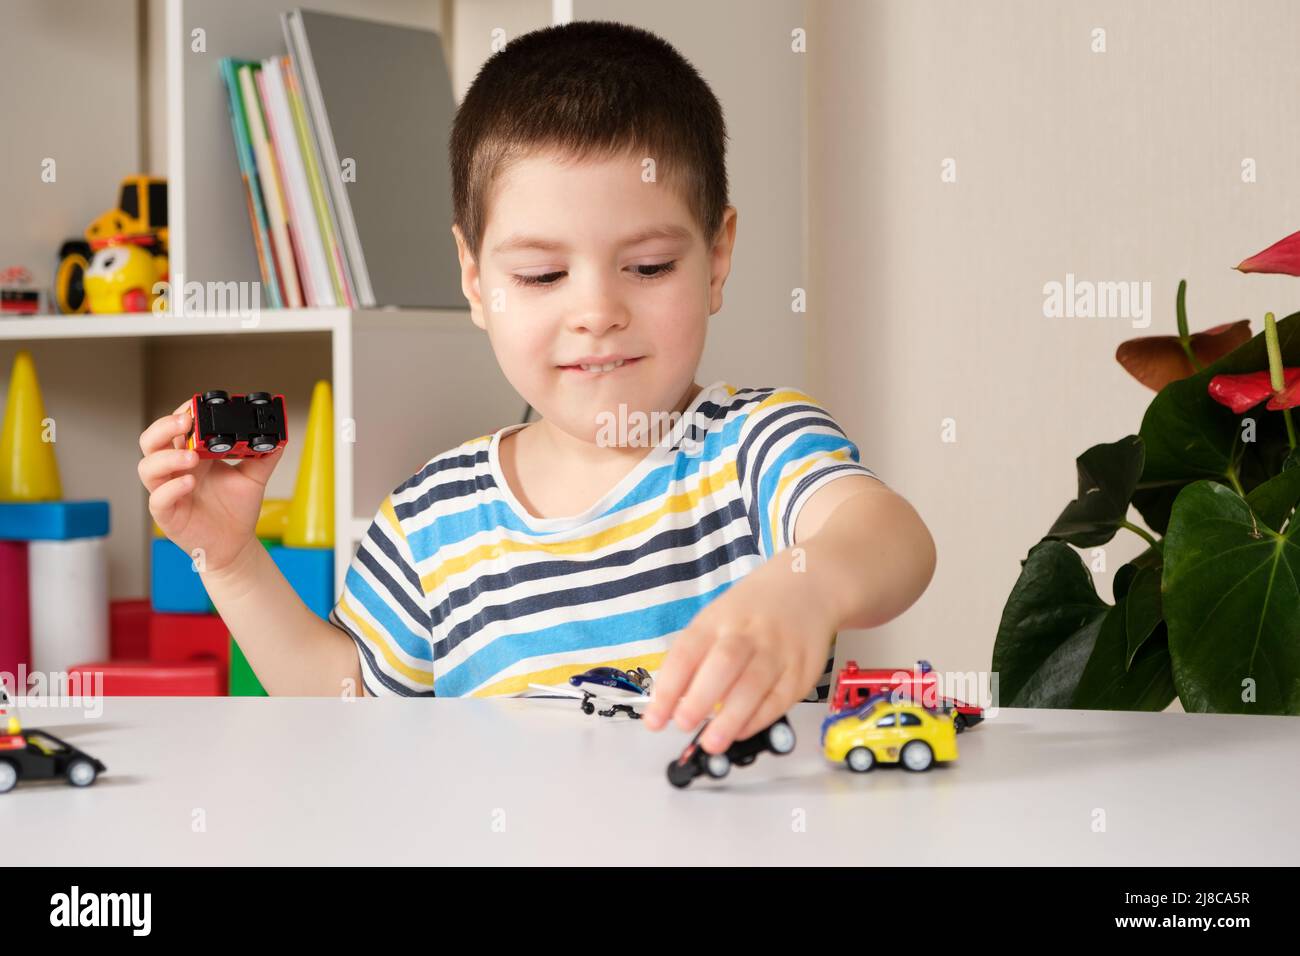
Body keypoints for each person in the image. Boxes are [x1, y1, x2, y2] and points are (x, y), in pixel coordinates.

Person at [137, 20, 936, 756]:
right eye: (542, 274)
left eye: (649, 267)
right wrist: (231, 559)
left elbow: (892, 538)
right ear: (476, 281)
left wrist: (808, 587)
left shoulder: (755, 448)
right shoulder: (431, 522)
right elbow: (348, 701)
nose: (596, 312)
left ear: (717, 257)